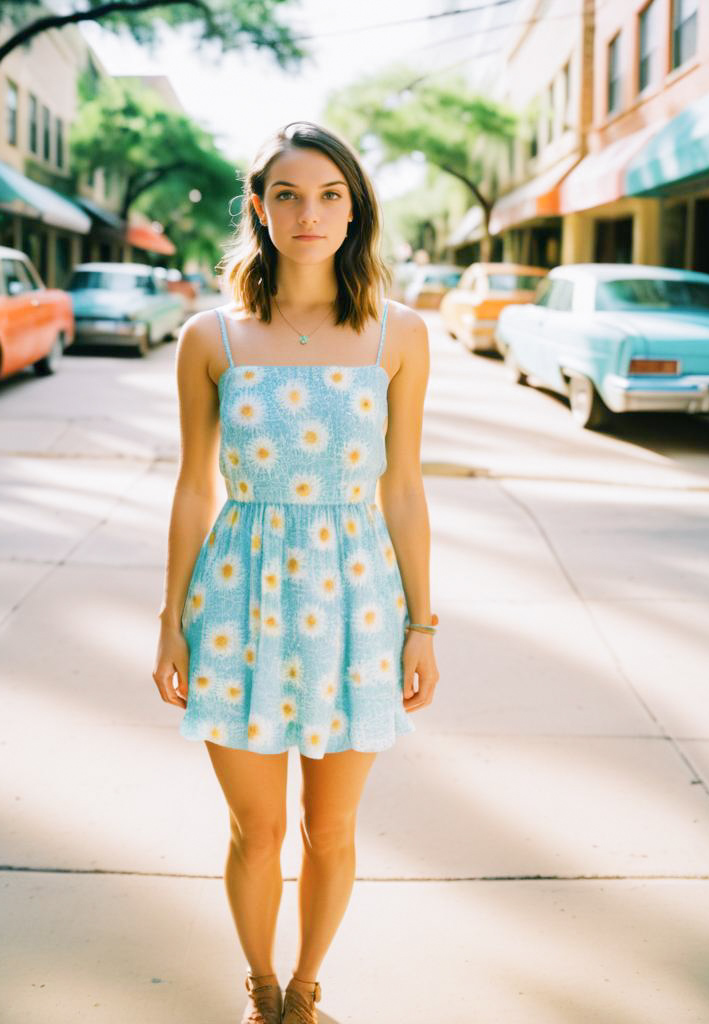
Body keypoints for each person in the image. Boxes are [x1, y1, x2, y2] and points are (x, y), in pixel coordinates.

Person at [152, 120, 439, 1024]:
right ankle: (262, 989)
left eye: (329, 196)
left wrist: (422, 624)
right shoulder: (211, 338)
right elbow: (196, 488)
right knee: (257, 829)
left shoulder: (399, 334)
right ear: (259, 208)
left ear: (354, 211)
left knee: (332, 827)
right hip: (235, 602)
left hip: (357, 601)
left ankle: (309, 988)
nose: (309, 214)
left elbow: (402, 487)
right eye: (288, 195)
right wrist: (171, 618)